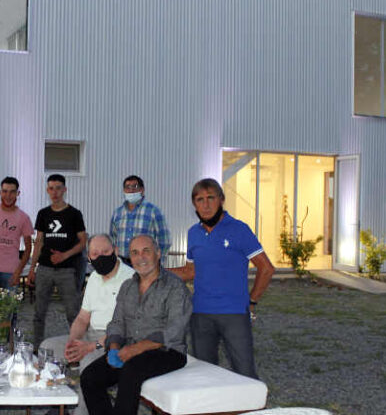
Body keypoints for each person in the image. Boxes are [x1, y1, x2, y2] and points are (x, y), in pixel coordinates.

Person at [170, 178, 275, 379]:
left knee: (245, 373)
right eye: (200, 200)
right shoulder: (193, 233)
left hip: (234, 314)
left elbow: (266, 268)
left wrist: (252, 301)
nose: (206, 204)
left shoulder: (239, 229)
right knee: (205, 373)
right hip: (200, 314)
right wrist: (154, 272)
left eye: (211, 198)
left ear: (222, 200)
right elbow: (190, 271)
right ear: (194, 204)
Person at [81, 235, 192, 415]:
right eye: (134, 253)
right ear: (129, 258)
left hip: (167, 351)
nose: (140, 257)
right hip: (130, 348)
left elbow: (174, 330)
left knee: (130, 371)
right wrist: (115, 347)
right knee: (90, 377)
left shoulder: (174, 286)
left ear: (158, 254)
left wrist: (135, 349)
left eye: (146, 251)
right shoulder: (128, 287)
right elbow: (117, 322)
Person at [39, 233, 135, 415]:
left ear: (115, 251)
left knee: (88, 367)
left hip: (114, 341)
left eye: (106, 252)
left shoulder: (131, 279)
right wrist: (73, 342)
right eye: (95, 254)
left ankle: (80, 412)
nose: (101, 257)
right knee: (47, 348)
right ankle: (58, 405)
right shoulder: (94, 279)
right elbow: (83, 318)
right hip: (89, 334)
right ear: (89, 258)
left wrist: (92, 346)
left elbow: (127, 326)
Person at [28, 174, 87, 350]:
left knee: (73, 313)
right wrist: (32, 268)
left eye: (58, 188)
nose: (55, 192)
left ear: (65, 190)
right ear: (47, 190)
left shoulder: (74, 214)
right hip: (44, 269)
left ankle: (77, 348)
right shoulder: (43, 214)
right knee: (39, 313)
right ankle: (37, 349)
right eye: (51, 188)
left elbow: (83, 242)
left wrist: (65, 255)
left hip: (67, 271)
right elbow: (38, 242)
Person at [109, 175, 171, 264]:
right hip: (122, 264)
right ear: (124, 191)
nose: (131, 190)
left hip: (145, 263)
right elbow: (113, 239)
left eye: (135, 186)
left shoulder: (153, 211)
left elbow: (165, 240)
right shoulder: (117, 213)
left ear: (142, 190)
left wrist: (156, 261)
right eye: (127, 187)